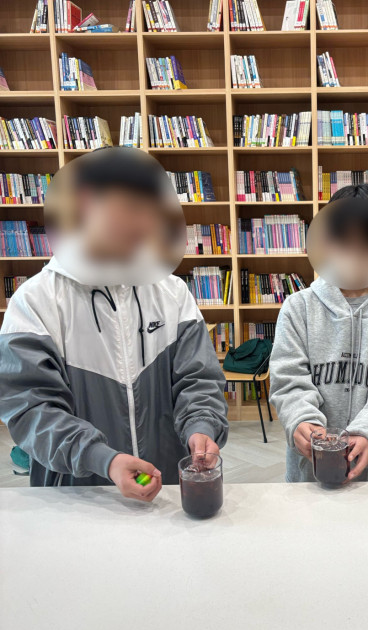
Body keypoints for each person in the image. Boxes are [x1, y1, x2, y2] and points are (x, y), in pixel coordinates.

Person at [0, 148, 228, 501]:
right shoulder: (34, 302)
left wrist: (201, 427)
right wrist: (103, 459)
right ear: (86, 202)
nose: (145, 224)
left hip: (165, 491)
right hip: (77, 499)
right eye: (132, 208)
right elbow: (32, 411)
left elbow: (199, 380)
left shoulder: (171, 291)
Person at [269, 184, 368, 482]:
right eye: (344, 238)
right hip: (310, 473)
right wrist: (301, 419)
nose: (356, 249)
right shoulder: (298, 307)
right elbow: (288, 380)